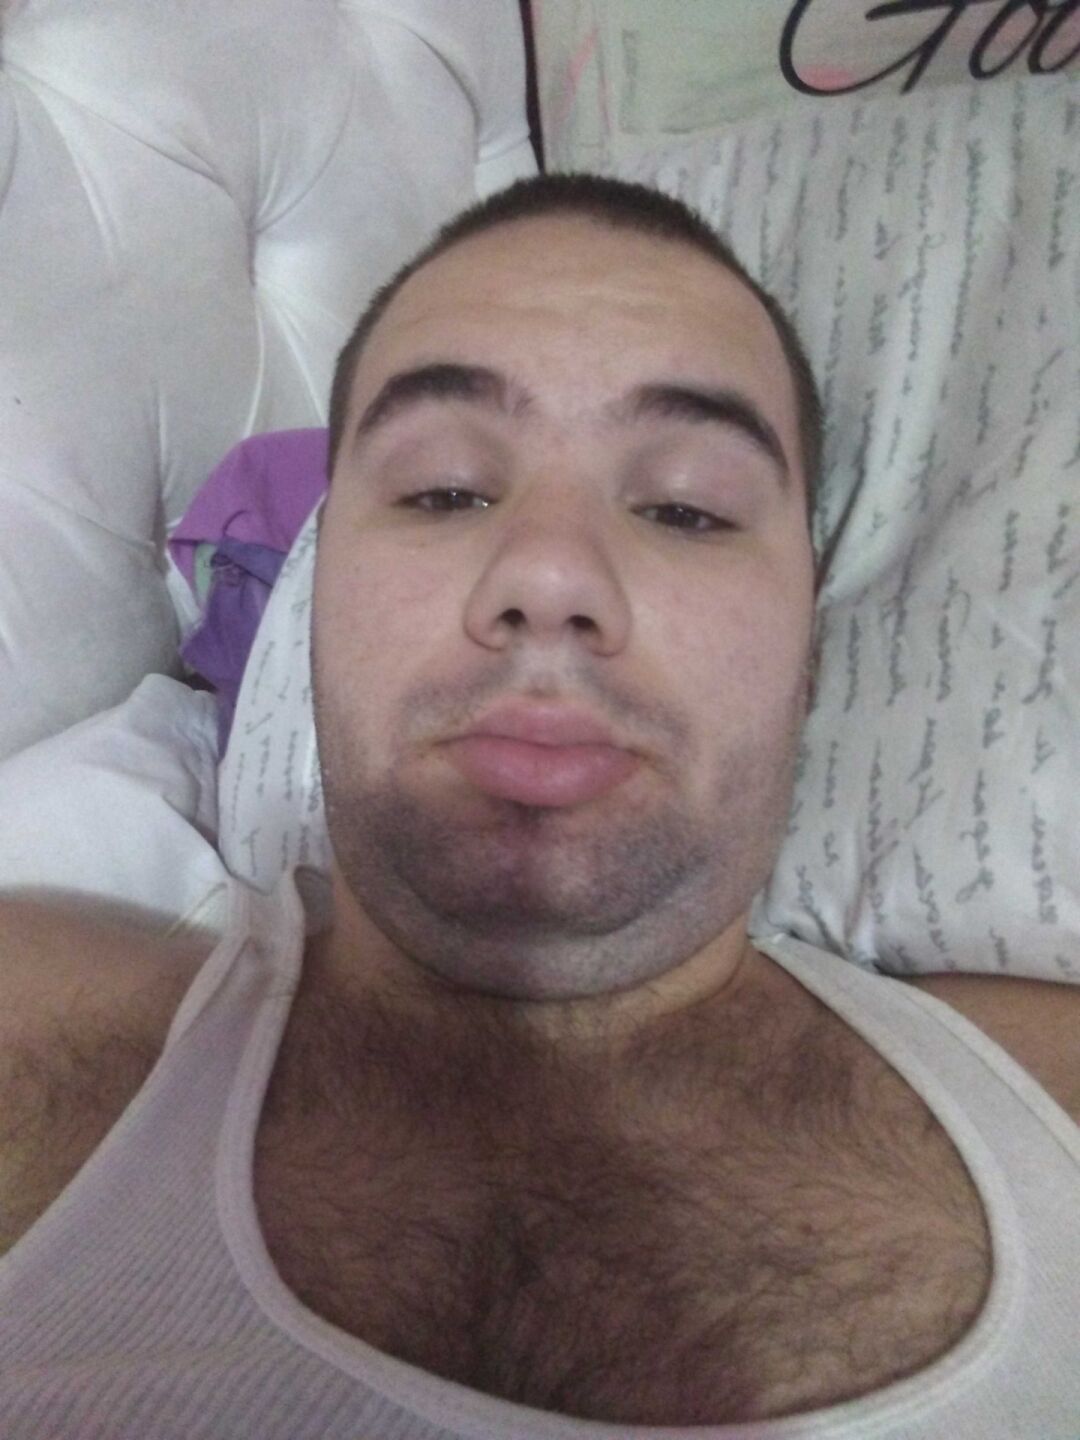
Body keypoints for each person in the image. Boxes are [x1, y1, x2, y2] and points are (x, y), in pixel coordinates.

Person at [0, 174, 1077, 1438]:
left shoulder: (1048, 1106)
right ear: (317, 605)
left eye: (686, 508)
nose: (552, 574)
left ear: (810, 654)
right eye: (445, 490)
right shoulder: (39, 1041)